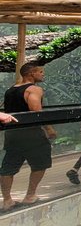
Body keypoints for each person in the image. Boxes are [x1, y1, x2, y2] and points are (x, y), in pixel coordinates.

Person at [1, 62, 56, 211]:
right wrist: (49, 129)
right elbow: (36, 111)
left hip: (12, 134)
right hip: (31, 133)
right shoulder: (34, 89)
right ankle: (30, 195)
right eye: (40, 72)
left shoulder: (10, 90)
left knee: (9, 166)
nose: (42, 74)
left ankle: (7, 200)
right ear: (31, 74)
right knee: (41, 163)